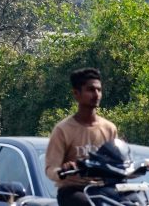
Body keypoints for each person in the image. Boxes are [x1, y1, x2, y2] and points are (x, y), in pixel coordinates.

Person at [45, 67, 119, 206]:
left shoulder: (109, 128)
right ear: (76, 94)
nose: (96, 94)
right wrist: (63, 170)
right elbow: (51, 169)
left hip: (103, 190)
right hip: (73, 192)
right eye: (90, 90)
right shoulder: (63, 129)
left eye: (99, 90)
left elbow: (117, 161)